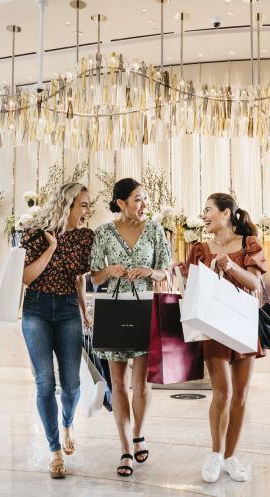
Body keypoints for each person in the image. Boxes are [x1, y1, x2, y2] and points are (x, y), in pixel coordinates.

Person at [180, 193, 266, 483]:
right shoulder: (199, 249)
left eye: (208, 210)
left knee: (240, 395)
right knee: (223, 392)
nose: (204, 215)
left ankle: (230, 457)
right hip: (214, 327)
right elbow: (190, 286)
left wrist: (230, 265)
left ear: (226, 213)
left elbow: (254, 283)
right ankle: (215, 454)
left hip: (242, 325)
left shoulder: (249, 244)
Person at [89, 177, 172, 477]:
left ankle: (138, 433)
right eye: (137, 198)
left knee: (142, 382)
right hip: (114, 308)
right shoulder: (103, 233)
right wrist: (108, 270)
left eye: (144, 198)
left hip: (145, 309)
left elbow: (167, 270)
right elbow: (95, 277)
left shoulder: (154, 230)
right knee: (119, 383)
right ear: (121, 203)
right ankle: (125, 448)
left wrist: (151, 271)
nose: (143, 204)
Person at [19, 182, 94, 480]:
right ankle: (54, 450)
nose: (88, 210)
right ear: (68, 204)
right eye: (84, 204)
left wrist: (83, 309)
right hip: (36, 308)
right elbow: (26, 277)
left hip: (66, 309)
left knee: (73, 383)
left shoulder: (85, 237)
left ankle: (67, 423)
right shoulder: (36, 233)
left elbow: (78, 278)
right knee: (44, 382)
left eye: (89, 205)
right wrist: (52, 247)